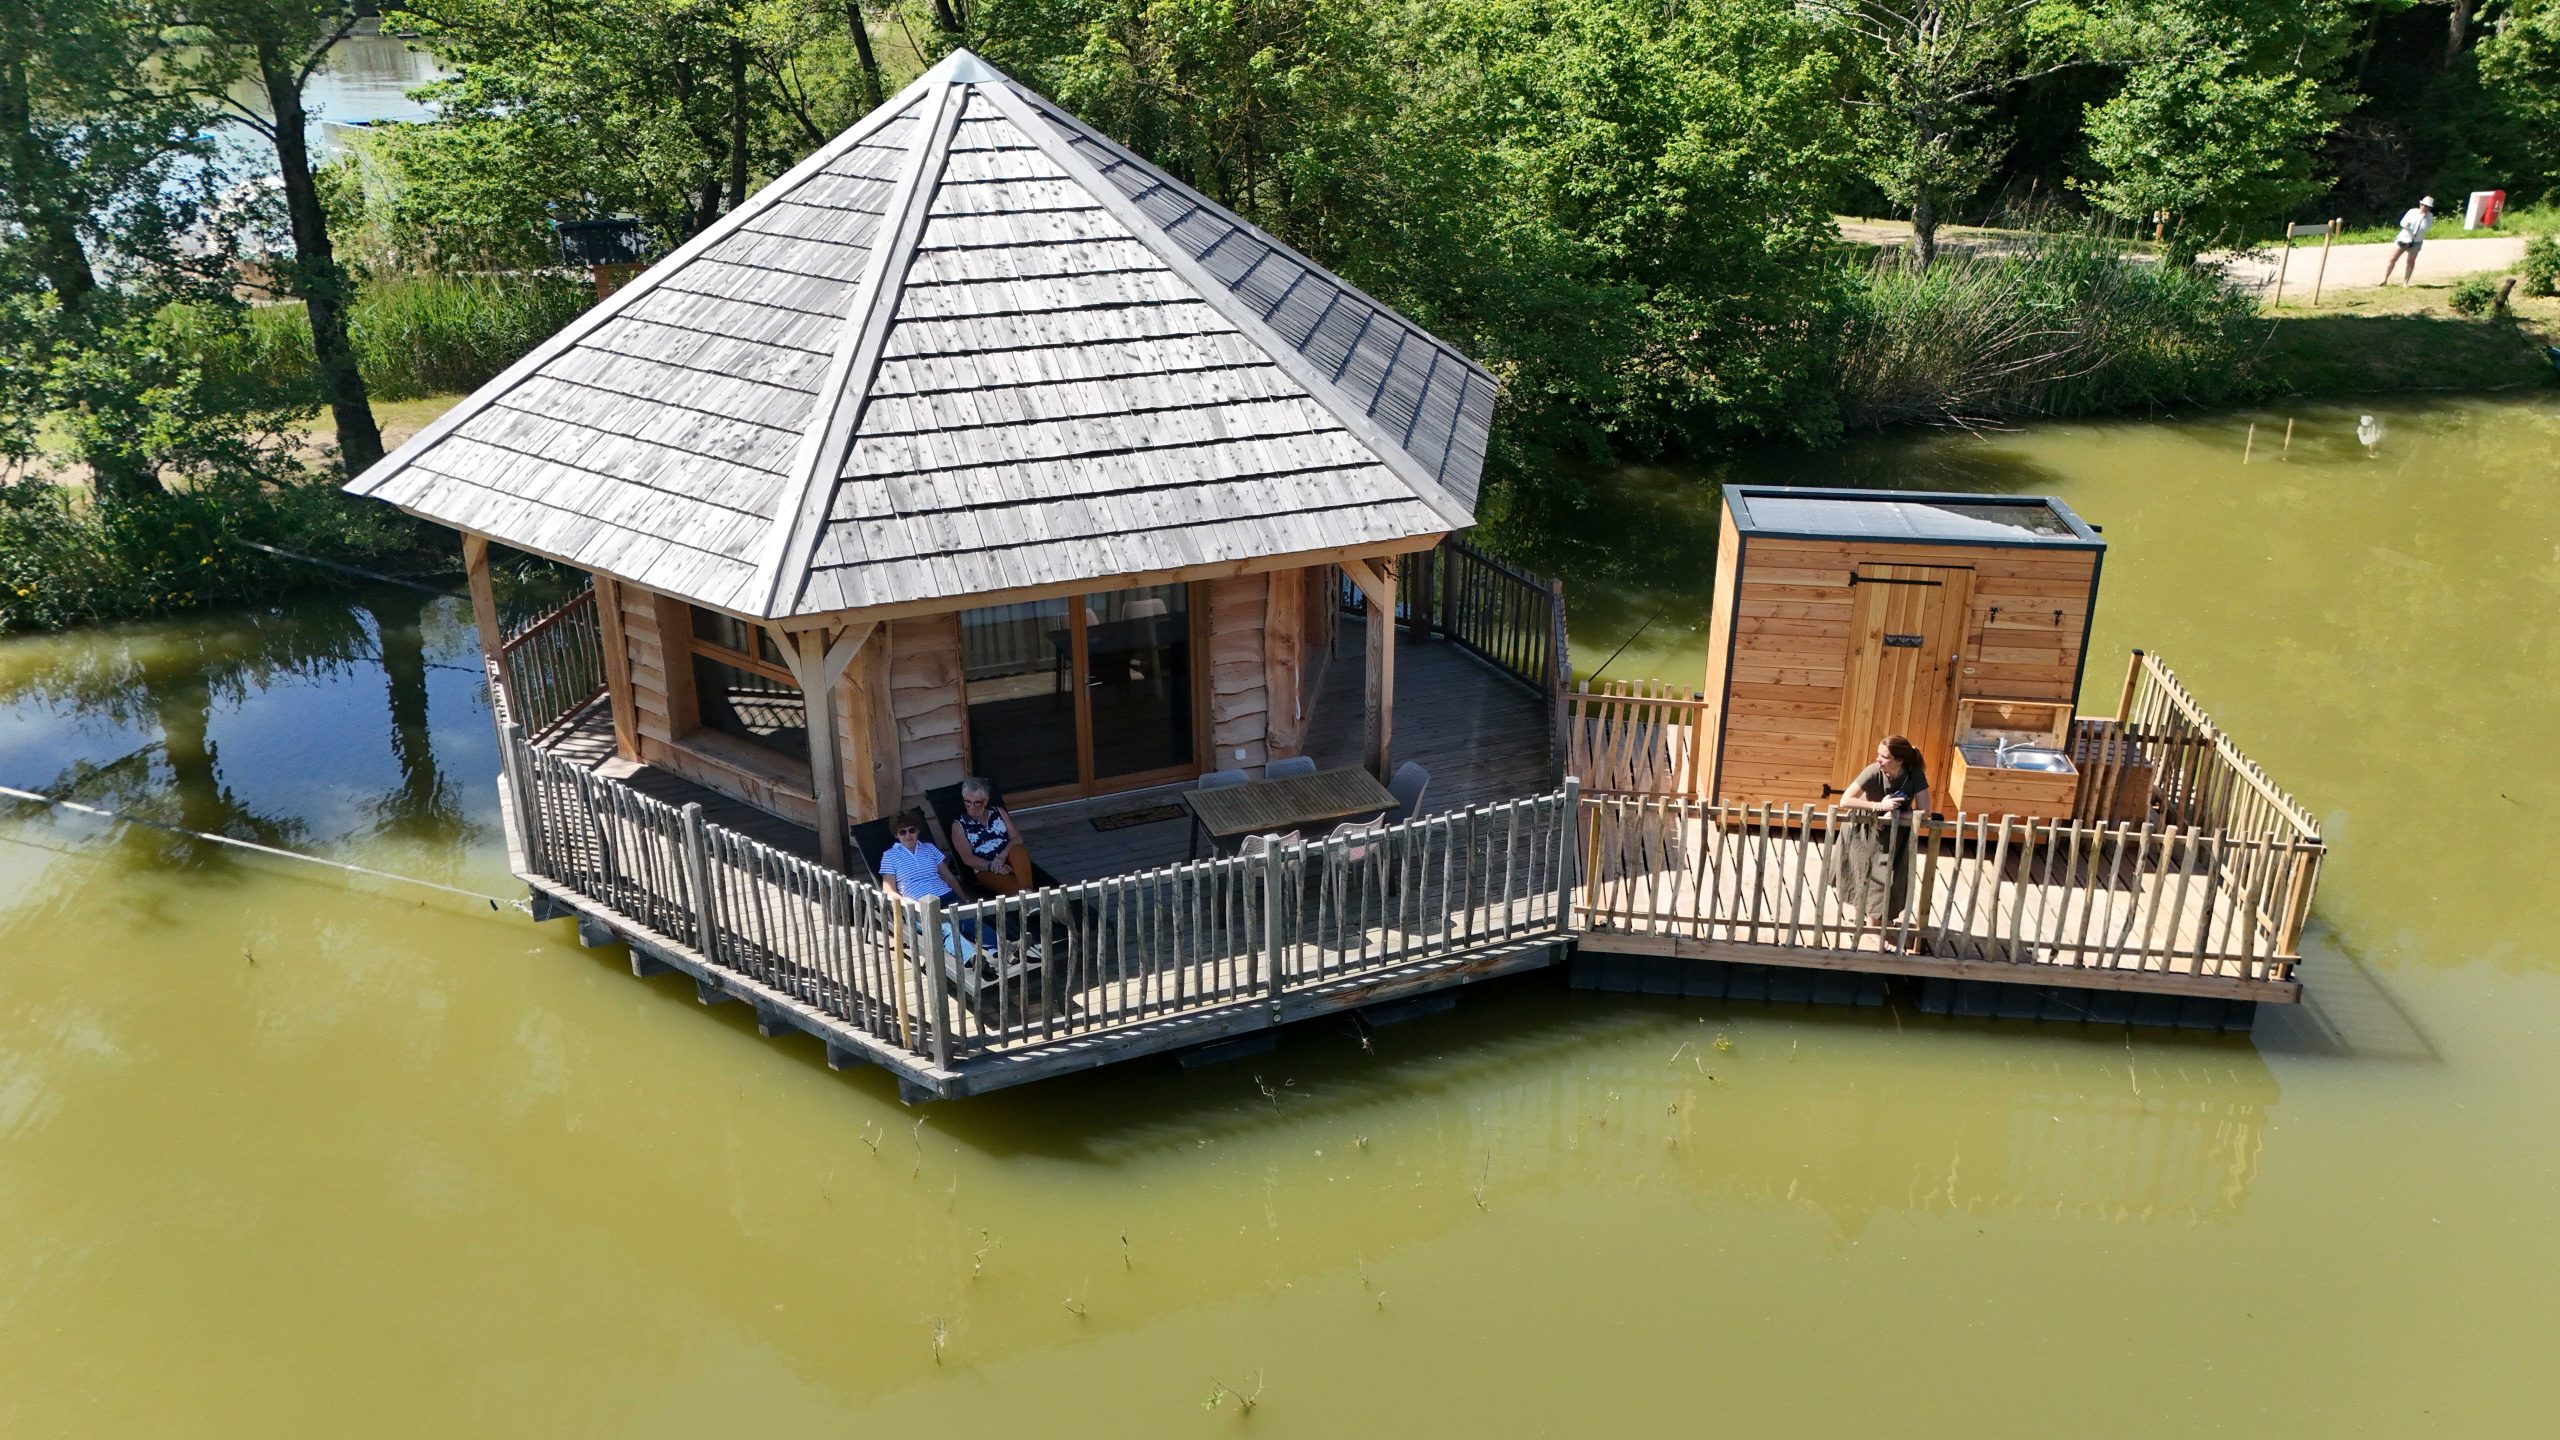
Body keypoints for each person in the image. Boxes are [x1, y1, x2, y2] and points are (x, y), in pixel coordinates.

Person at [1826, 735, 1932, 938]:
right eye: (1878, 754)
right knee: (1863, 874)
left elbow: (1925, 811)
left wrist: (1899, 814)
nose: (1878, 759)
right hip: (1863, 830)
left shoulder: (1913, 773)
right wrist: (1878, 806)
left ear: (1898, 760)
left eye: (1883, 756)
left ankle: (1873, 923)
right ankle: (1872, 928)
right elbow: (1845, 800)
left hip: (1893, 833)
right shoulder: (1873, 771)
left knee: (1883, 877)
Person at [876, 811, 988, 946]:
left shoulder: (929, 848)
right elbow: (889, 890)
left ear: (917, 831)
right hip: (919, 903)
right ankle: (972, 959)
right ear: (896, 835)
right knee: (943, 930)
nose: (908, 835)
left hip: (946, 896)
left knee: (971, 921)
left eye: (911, 830)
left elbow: (949, 877)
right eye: (902, 832)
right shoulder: (890, 856)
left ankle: (1003, 949)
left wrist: (963, 898)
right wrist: (909, 906)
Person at [951, 776, 1035, 896]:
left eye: (977, 803)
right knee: (1016, 888)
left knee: (1018, 850)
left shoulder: (998, 812)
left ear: (985, 801)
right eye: (967, 802)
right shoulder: (959, 825)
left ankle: (1028, 894)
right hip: (986, 869)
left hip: (1009, 858)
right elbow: (967, 858)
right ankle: (1029, 896)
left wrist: (1003, 855)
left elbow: (1017, 838)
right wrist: (992, 866)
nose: (971, 807)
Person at [2381, 196, 2435, 286]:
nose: (2425, 208)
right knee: (2392, 258)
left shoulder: (2429, 216)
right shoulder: (2412, 211)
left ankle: (2405, 282)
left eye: (2428, 207)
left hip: (2417, 242)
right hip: (2404, 238)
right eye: (2423, 205)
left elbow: (2425, 228)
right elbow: (2403, 223)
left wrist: (2423, 217)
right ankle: (2385, 279)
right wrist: (2409, 224)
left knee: (2410, 261)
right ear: (2420, 204)